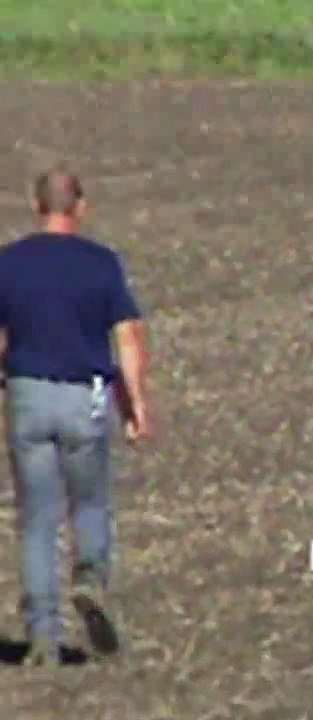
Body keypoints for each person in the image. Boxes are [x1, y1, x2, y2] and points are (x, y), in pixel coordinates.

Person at [0, 168, 152, 666]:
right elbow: (127, 336)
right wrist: (135, 404)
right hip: (82, 398)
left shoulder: (10, 263)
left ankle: (42, 635)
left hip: (26, 395)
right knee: (89, 502)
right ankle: (89, 577)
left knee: (38, 519)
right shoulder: (101, 264)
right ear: (80, 207)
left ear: (38, 206)